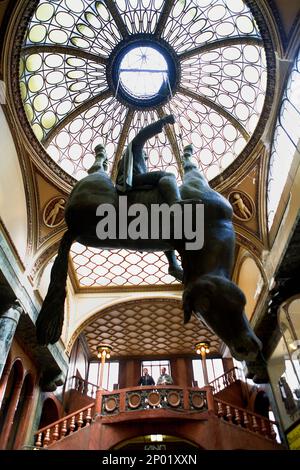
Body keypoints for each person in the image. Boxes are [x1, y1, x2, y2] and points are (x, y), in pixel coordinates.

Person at [116, 114, 182, 205]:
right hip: (133, 179)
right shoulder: (135, 149)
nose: (145, 158)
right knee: (167, 175)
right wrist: (164, 120)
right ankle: (175, 203)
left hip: (132, 181)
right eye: (145, 155)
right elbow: (142, 134)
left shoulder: (128, 161)